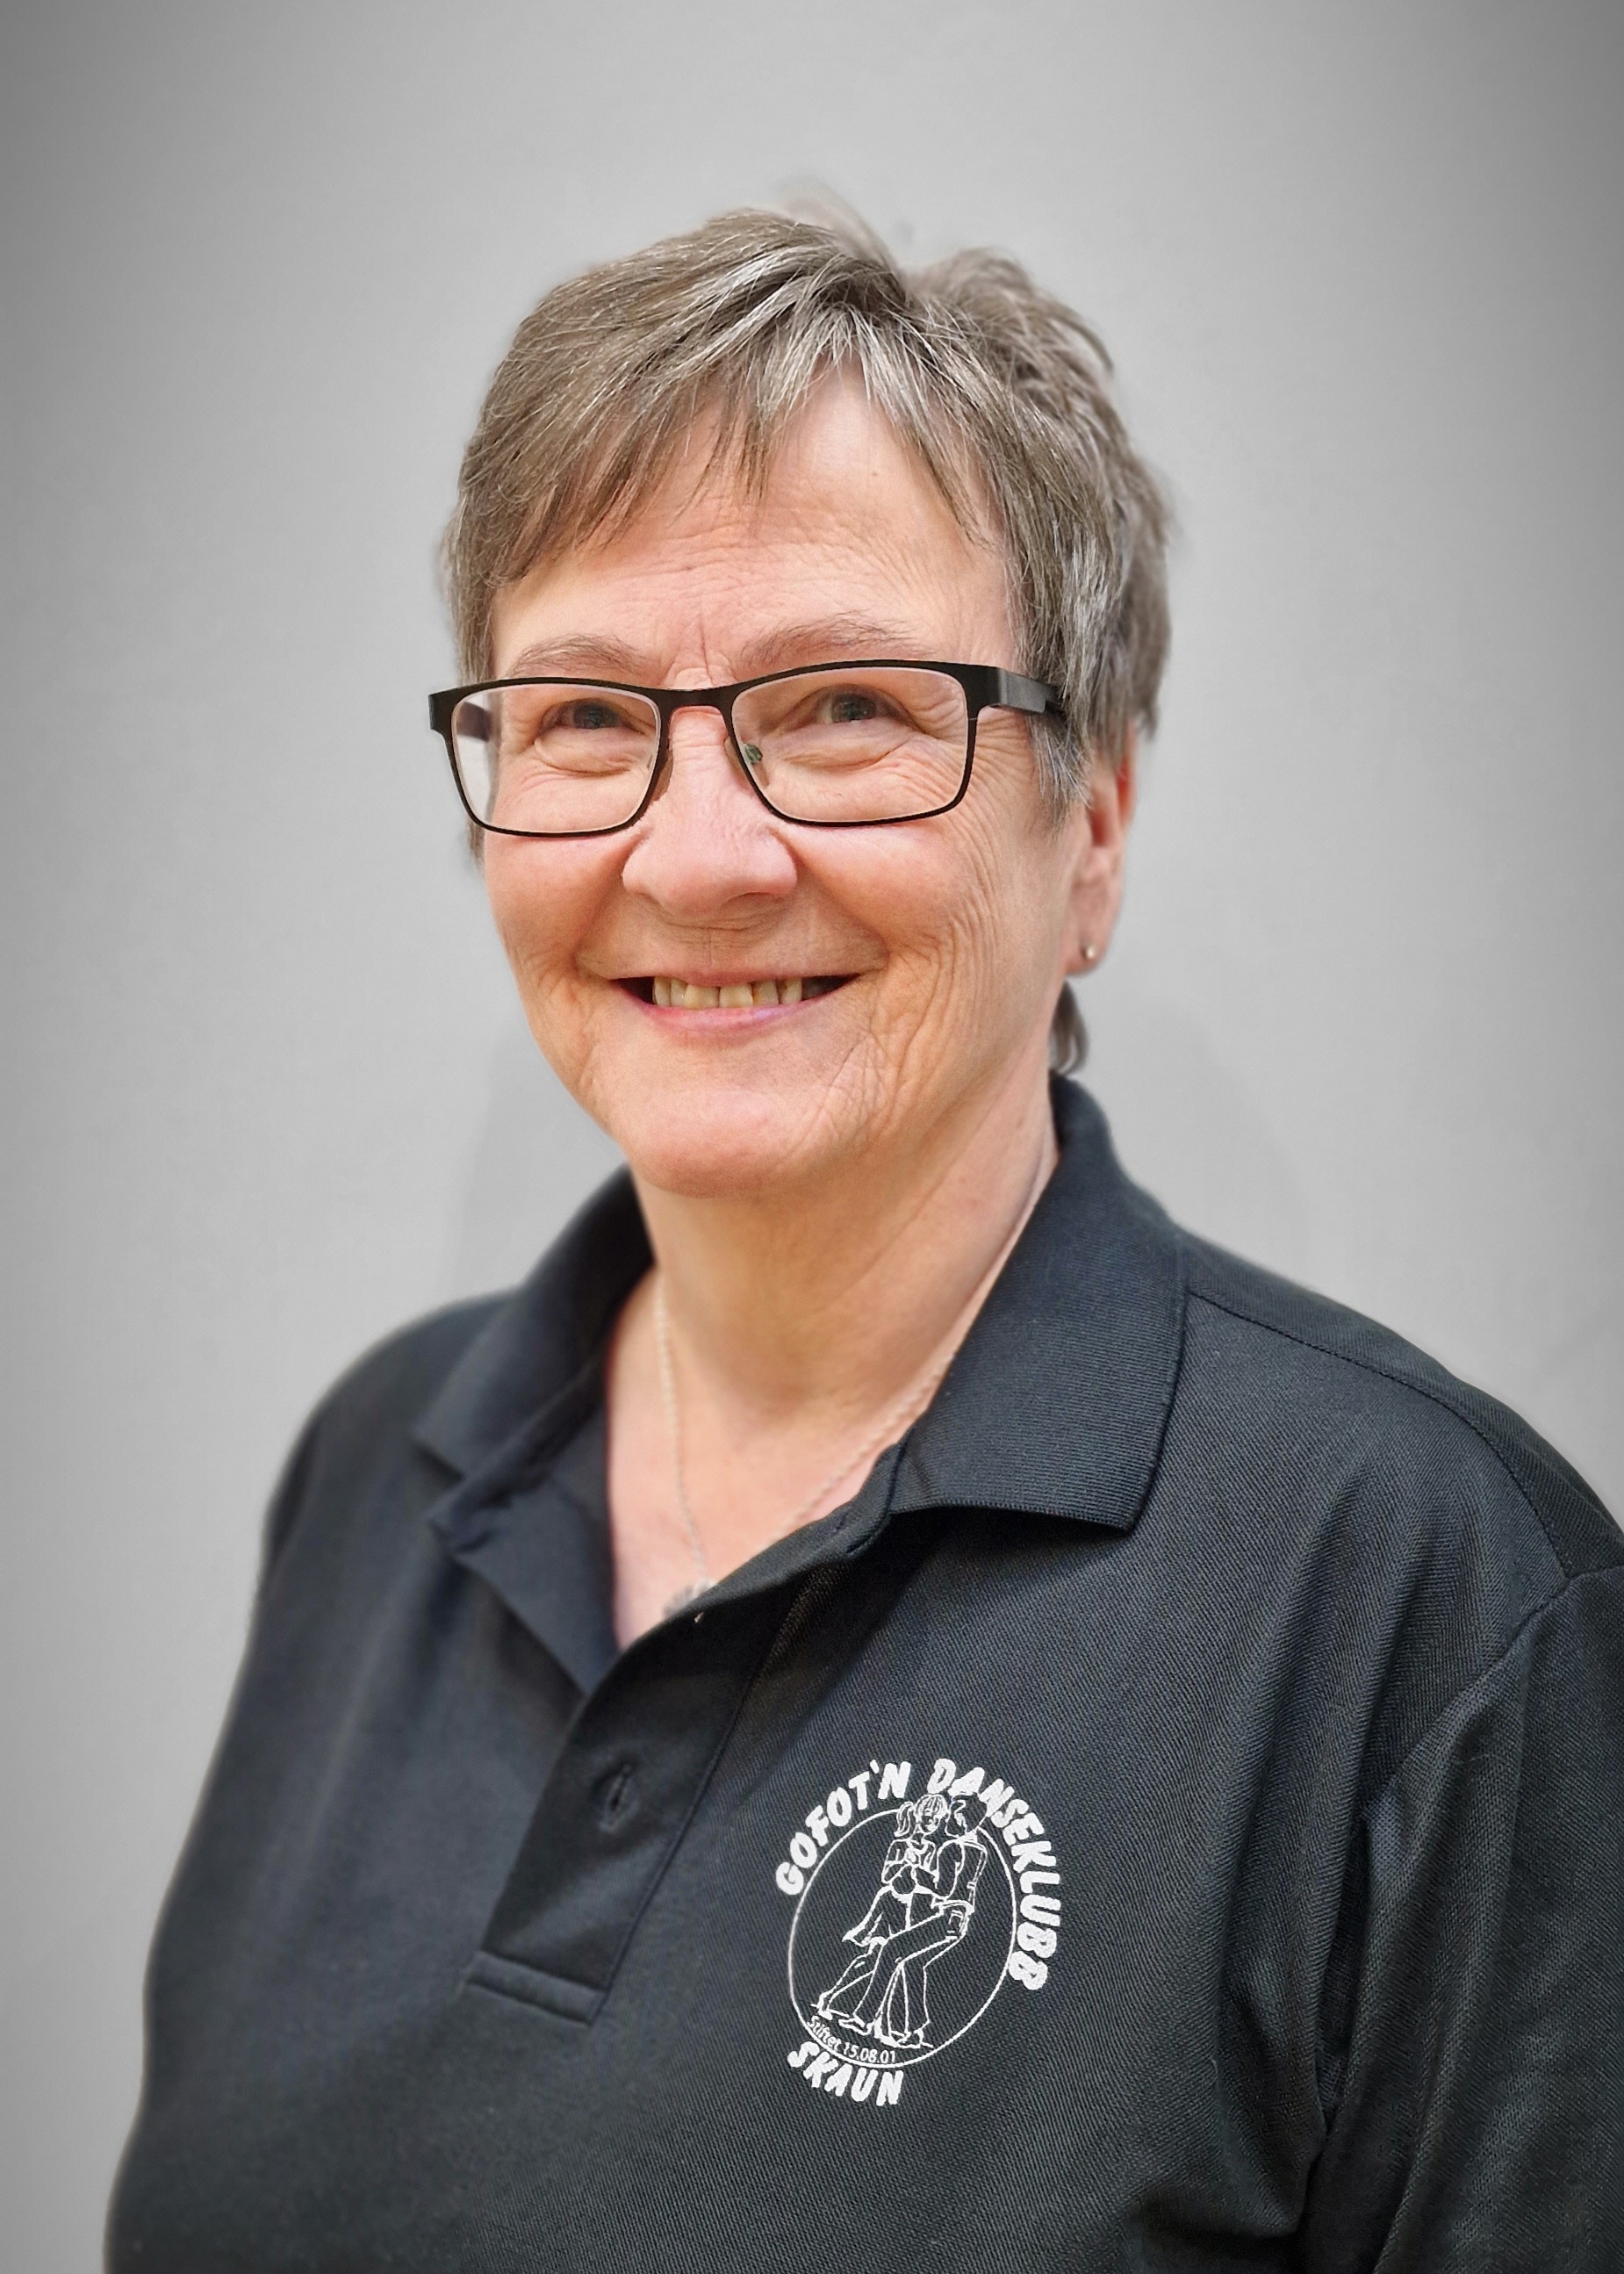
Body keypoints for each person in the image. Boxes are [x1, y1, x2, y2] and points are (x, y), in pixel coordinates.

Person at [108, 207, 1624, 2271]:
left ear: (1090, 826)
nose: (699, 855)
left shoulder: (1427, 1606)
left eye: (841, 707)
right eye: (584, 716)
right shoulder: (379, 1466)